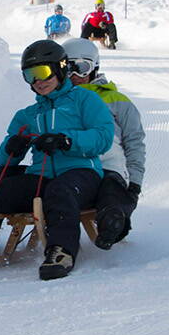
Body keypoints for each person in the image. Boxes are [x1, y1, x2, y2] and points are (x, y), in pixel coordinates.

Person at [0, 39, 115, 280]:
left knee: (61, 191)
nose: (38, 81)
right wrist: (13, 148)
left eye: (43, 72)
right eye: (30, 75)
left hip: (82, 174)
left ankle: (61, 251)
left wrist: (66, 140)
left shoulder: (84, 100)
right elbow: (1, 160)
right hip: (41, 177)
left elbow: (103, 136)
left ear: (60, 69)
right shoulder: (27, 115)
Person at [62, 38, 144, 249]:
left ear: (94, 68)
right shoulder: (57, 101)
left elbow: (134, 142)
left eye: (81, 68)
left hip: (108, 166)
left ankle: (113, 220)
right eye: (67, 68)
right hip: (72, 168)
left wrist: (134, 183)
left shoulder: (117, 100)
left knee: (111, 186)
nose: (74, 76)